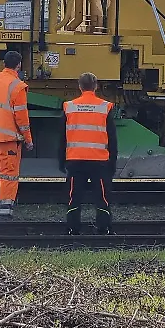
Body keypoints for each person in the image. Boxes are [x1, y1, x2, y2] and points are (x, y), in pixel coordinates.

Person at [60, 72, 118, 235]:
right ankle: (104, 228)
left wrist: (62, 160)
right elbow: (112, 139)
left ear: (79, 87)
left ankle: (72, 228)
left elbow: (62, 137)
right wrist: (112, 161)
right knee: (102, 197)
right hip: (99, 161)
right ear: (96, 86)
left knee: (74, 196)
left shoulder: (69, 106)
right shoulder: (104, 107)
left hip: (75, 160)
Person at [0, 50, 33, 220]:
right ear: (19, 65)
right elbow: (22, 118)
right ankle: (4, 212)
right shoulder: (18, 86)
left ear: (3, 63)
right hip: (9, 139)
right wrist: (28, 139)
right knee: (8, 175)